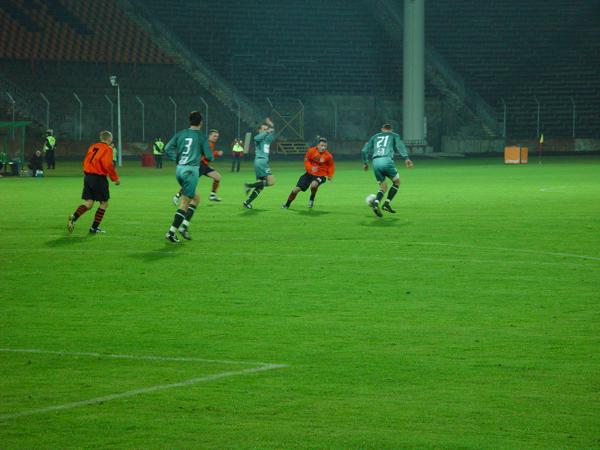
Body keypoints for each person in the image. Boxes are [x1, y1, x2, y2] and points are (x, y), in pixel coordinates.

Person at [164, 111, 214, 243]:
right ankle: (171, 232)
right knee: (185, 203)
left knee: (196, 198)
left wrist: (176, 159)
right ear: (201, 122)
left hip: (179, 170)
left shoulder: (181, 133)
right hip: (191, 171)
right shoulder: (201, 137)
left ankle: (184, 226)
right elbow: (209, 156)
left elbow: (167, 148)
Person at [67, 130, 120, 234]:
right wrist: (115, 178)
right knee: (104, 203)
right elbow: (108, 165)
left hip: (88, 177)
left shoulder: (93, 147)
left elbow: (86, 161)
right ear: (110, 139)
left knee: (89, 203)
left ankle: (74, 217)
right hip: (99, 178)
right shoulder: (108, 149)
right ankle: (94, 228)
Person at [361, 123, 413, 217]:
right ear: (391, 130)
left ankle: (376, 204)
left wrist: (365, 163)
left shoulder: (374, 137)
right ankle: (386, 204)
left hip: (376, 162)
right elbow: (400, 146)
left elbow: (364, 150)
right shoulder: (394, 135)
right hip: (386, 160)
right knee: (397, 182)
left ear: (382, 129)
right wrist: (406, 158)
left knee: (383, 187)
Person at [172, 129, 223, 204]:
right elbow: (206, 155)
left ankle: (212, 195)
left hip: (204, 165)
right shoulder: (206, 143)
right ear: (209, 136)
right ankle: (177, 196)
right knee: (190, 184)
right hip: (199, 165)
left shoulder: (211, 143)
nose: (216, 138)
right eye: (214, 136)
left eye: (217, 136)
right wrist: (217, 153)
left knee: (217, 177)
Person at [282, 137, 335, 209]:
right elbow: (306, 161)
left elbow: (331, 166)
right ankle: (287, 204)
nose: (323, 147)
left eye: (325, 146)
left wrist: (330, 175)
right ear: (318, 145)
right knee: (296, 189)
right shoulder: (311, 151)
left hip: (321, 175)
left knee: (314, 185)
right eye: (322, 145)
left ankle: (311, 198)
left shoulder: (328, 156)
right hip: (309, 174)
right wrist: (310, 168)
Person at [243, 117, 275, 209]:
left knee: (260, 186)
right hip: (261, 162)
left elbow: (272, 133)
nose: (266, 130)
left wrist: (271, 125)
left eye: (266, 129)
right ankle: (249, 186)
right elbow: (256, 138)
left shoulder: (267, 139)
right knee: (271, 182)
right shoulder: (259, 138)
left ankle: (247, 202)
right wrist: (267, 131)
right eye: (263, 129)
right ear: (259, 130)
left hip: (261, 163)